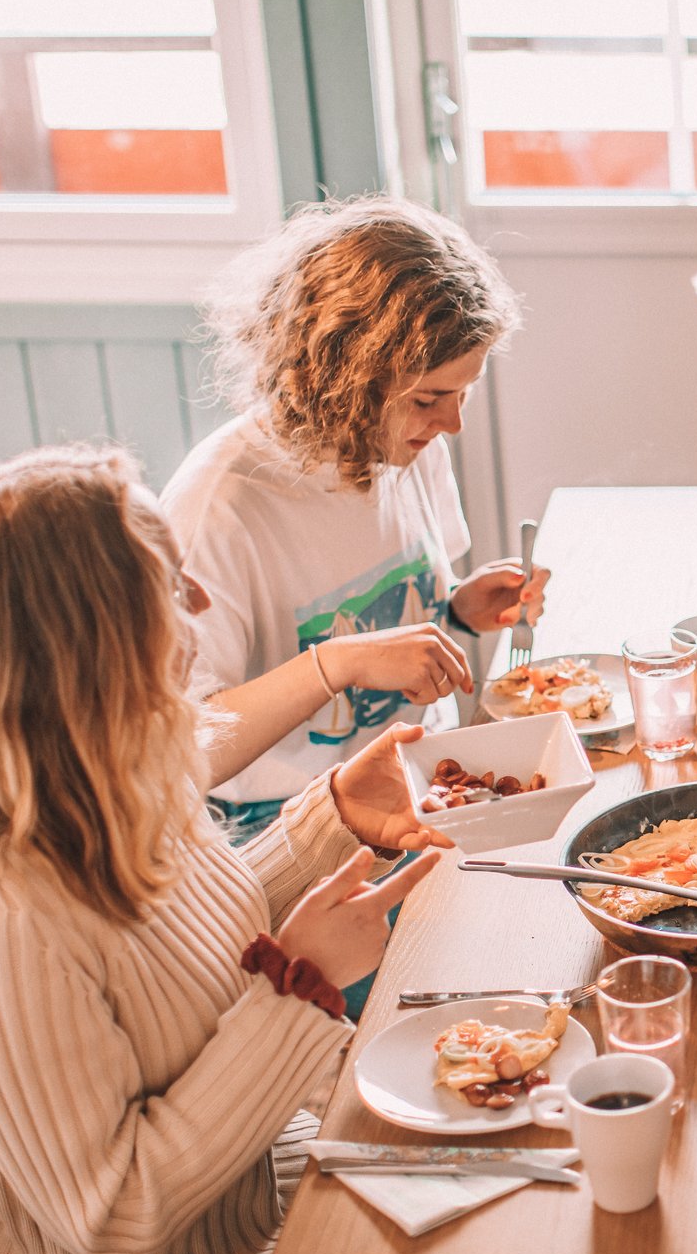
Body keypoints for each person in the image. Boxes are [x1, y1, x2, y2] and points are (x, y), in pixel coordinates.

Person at [0, 445, 451, 1254]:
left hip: (253, 1204)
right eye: (167, 585)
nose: (200, 604)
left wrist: (330, 814)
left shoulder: (113, 776)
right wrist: (295, 984)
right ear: (77, 647)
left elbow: (176, 952)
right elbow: (116, 1215)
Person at [162, 194, 540, 840]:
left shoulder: (408, 443)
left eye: (463, 394)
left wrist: (452, 612)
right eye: (430, 398)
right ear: (343, 378)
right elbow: (181, 750)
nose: (452, 423)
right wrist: (333, 665)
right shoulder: (221, 505)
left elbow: (389, 621)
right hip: (283, 820)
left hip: (426, 776)